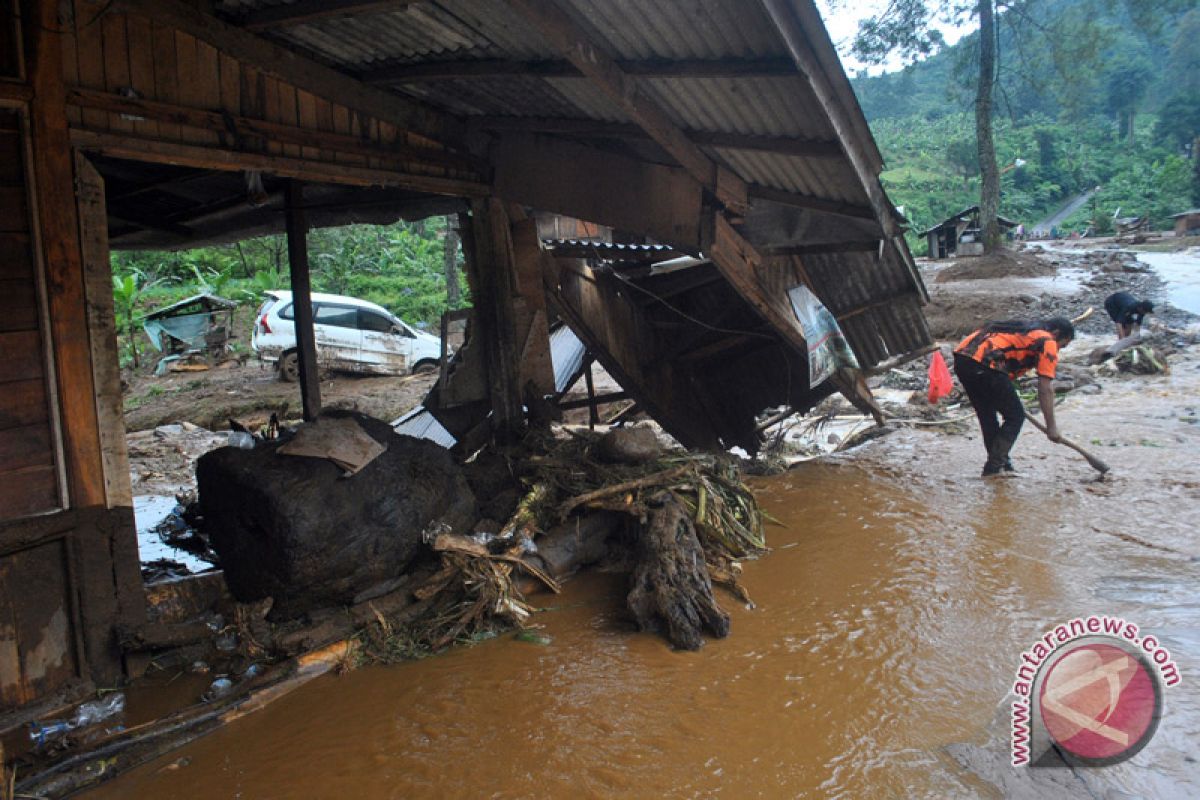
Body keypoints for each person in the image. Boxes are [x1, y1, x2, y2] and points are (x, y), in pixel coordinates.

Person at [953, 317, 1075, 477]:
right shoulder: (1047, 340)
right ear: (1056, 333)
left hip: (963, 359)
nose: (1059, 350)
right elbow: (1045, 388)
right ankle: (994, 467)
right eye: (1062, 345)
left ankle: (1001, 464)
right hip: (985, 363)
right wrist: (1051, 427)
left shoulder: (1023, 329)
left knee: (987, 415)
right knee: (1015, 416)